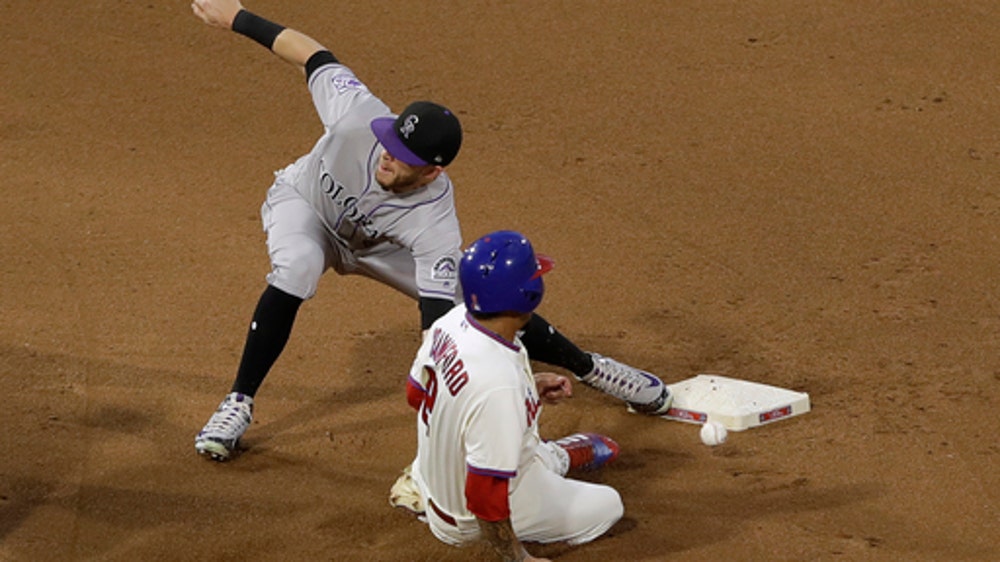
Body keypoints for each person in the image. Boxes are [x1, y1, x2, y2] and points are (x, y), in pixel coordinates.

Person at [190, 0, 672, 462]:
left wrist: (515, 375)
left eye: (404, 157)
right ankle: (239, 402)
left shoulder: (434, 216)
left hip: (378, 246)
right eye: (391, 142)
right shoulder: (357, 113)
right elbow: (312, 54)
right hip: (305, 209)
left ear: (431, 173)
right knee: (296, 267)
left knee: (480, 298)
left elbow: (438, 328)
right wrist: (235, 16)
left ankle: (591, 368)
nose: (388, 154)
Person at [403, 230, 624, 561]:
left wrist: (528, 386)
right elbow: (485, 498)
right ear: (528, 295)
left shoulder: (450, 322)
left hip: (434, 476)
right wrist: (516, 558)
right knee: (609, 505)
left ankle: (542, 460)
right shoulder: (499, 385)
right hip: (467, 519)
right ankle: (551, 460)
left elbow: (416, 395)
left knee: (495, 431)